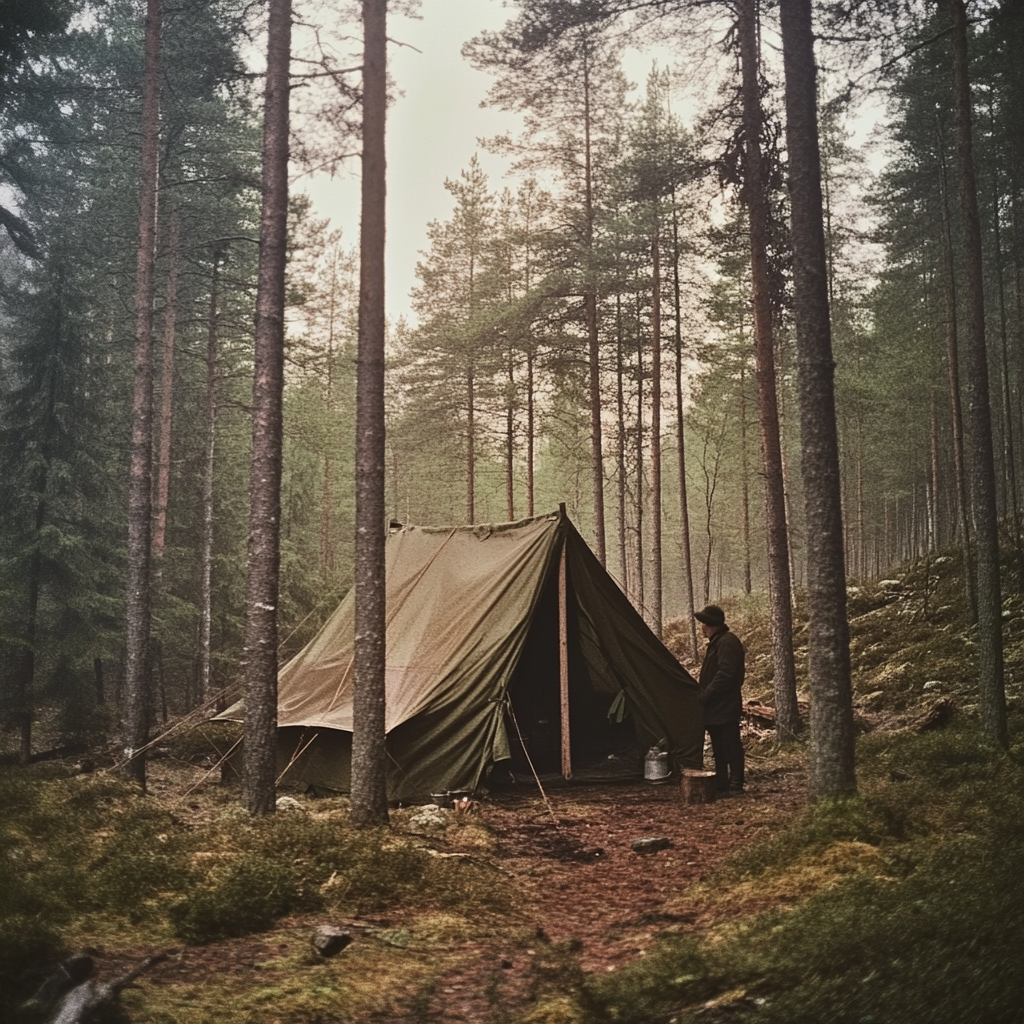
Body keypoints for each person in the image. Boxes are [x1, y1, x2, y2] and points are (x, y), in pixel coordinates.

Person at [695, 604, 745, 796]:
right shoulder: (718, 642)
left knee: (731, 745)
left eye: (703, 624)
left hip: (725, 704)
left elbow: (727, 673)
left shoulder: (727, 643)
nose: (701, 627)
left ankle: (736, 784)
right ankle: (722, 782)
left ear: (711, 625)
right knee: (719, 746)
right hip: (716, 705)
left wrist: (708, 693)